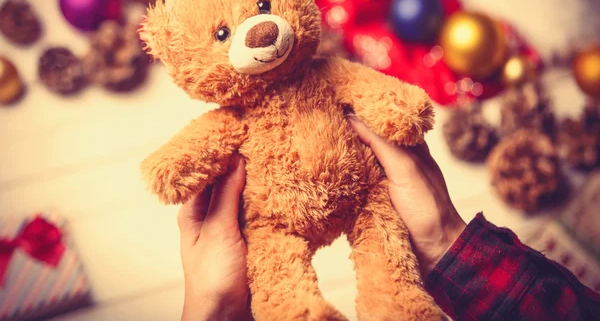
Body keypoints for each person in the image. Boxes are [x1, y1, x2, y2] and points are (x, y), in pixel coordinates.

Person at [177, 115, 600, 321]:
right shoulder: (228, 122)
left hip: (369, 196)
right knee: (279, 281)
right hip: (272, 224)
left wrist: (213, 310)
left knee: (387, 255)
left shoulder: (328, 76)